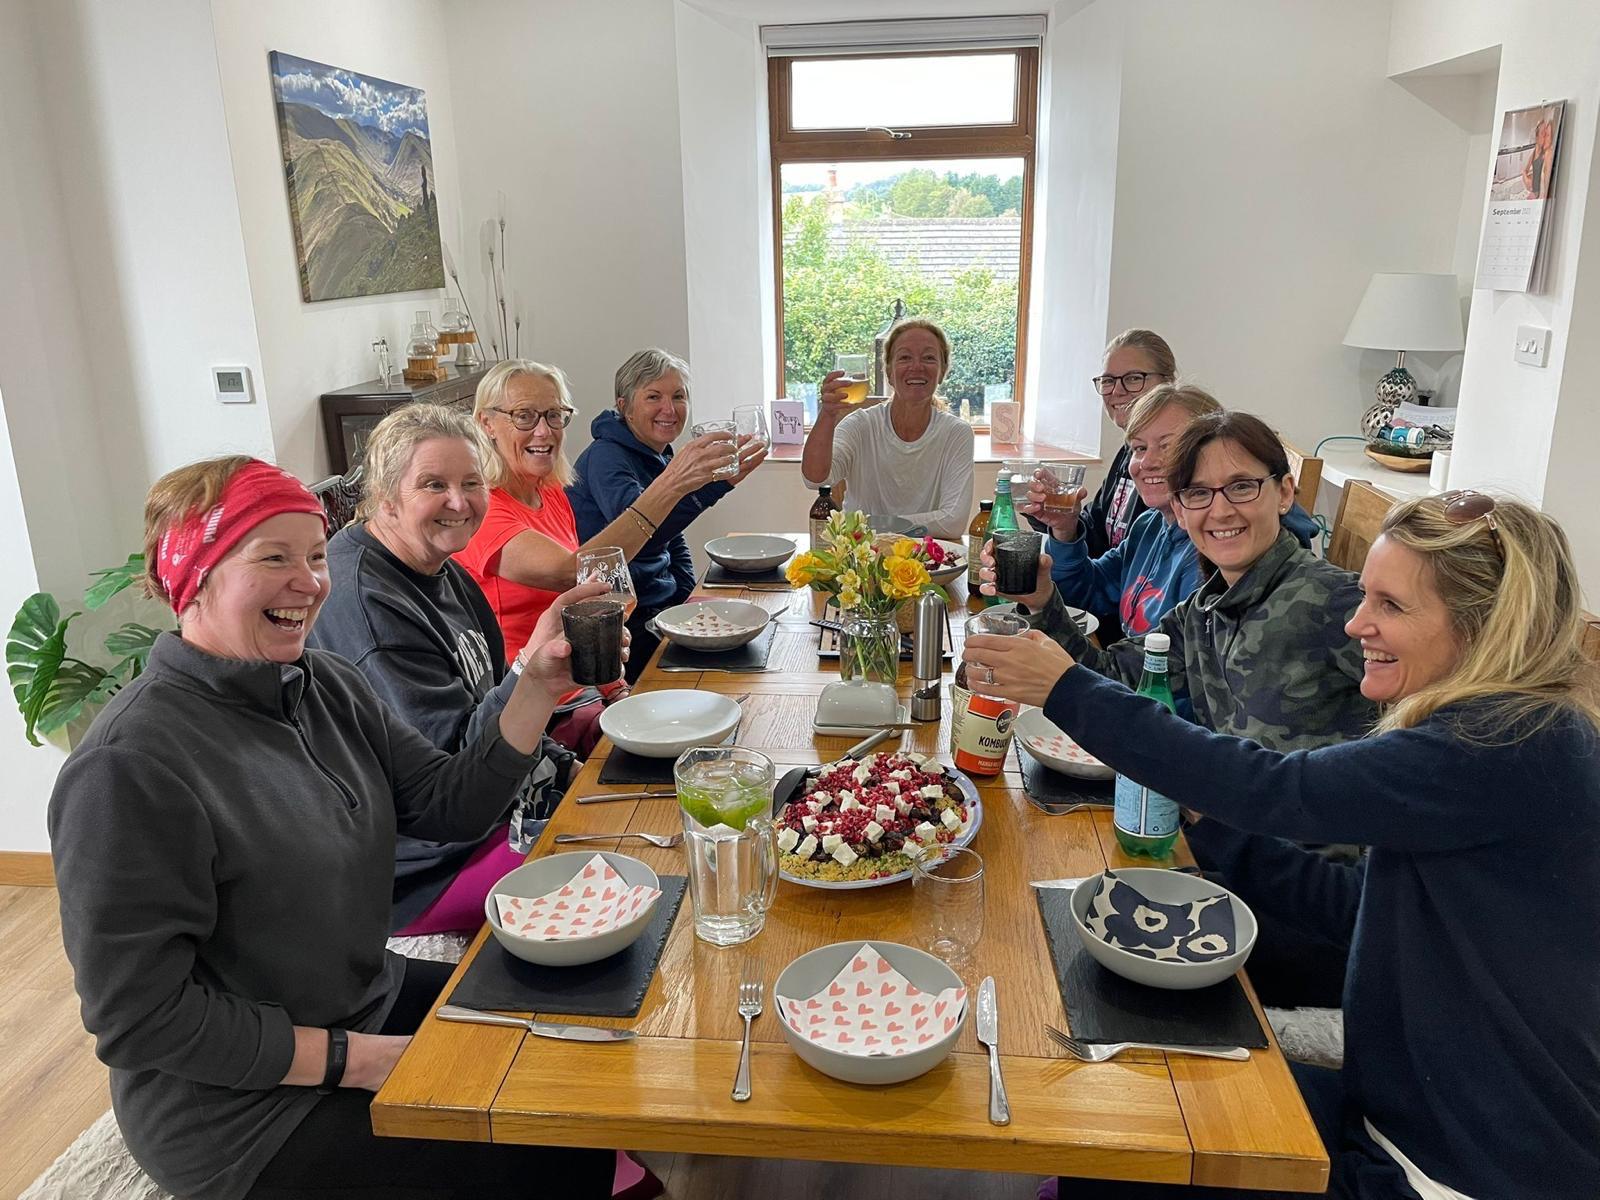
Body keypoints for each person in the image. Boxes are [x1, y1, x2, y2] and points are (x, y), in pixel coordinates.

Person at [964, 491, 1600, 1199]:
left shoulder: (1509, 742)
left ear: (1485, 627)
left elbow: (1273, 787)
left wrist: (1066, 688)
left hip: (1456, 1166)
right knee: (1120, 1112)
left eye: (1391, 606)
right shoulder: (1521, 733)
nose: (1359, 623)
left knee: (1123, 1142)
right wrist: (1210, 822)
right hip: (1396, 1109)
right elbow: (1356, 905)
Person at [48, 456, 614, 1200]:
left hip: (361, 997)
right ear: (196, 576)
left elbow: (450, 805)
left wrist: (536, 686)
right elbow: (142, 1021)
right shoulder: (129, 767)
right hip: (241, 1112)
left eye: (316, 556)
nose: (311, 582)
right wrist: (358, 1061)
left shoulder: (326, 686)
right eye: (273, 557)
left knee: (568, 1059)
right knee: (528, 1147)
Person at [987, 411, 1374, 1004]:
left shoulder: (1339, 604)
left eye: (1242, 486)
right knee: (1029, 917)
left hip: (1307, 910)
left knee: (1055, 964)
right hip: (1223, 866)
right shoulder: (1206, 608)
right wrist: (1044, 601)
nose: (1220, 511)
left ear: (1285, 490)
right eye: (1198, 493)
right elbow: (1109, 679)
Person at [309, 404, 582, 935]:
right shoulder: (369, 608)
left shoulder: (440, 567)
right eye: (433, 484)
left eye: (471, 483)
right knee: (620, 864)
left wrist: (564, 766)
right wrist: (532, 672)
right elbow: (457, 780)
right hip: (425, 870)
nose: (459, 503)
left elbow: (491, 696)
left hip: (487, 813)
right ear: (385, 496)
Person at [456, 358, 739, 671]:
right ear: (486, 423)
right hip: (527, 695)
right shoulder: (481, 509)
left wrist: (614, 686)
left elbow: (590, 602)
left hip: (583, 679)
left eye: (553, 416)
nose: (543, 431)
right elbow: (569, 573)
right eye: (523, 416)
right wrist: (673, 485)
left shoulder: (549, 492)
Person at [567, 348, 767, 678]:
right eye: (653, 397)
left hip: (658, 612)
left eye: (678, 396)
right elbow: (645, 535)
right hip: (626, 625)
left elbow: (672, 541)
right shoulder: (606, 457)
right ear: (624, 407)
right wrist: (716, 486)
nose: (669, 409)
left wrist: (688, 598)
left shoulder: (656, 452)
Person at [1011, 383, 1220, 637]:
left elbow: (1177, 663)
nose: (1147, 462)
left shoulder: (1213, 549)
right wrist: (1064, 529)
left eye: (1168, 446)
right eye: (1139, 448)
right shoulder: (1149, 525)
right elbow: (1088, 591)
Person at [800, 318, 975, 540]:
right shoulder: (860, 425)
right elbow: (814, 479)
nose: (917, 366)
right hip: (861, 559)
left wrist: (876, 523)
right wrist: (827, 414)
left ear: (942, 372)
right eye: (904, 357)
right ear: (889, 372)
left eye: (929, 358)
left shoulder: (956, 433)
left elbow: (953, 522)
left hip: (924, 561)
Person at [1080, 329, 1178, 557]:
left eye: (1134, 378)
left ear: (1169, 383)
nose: (1117, 391)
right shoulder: (1127, 452)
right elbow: (1096, 532)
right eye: (1108, 380)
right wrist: (1058, 515)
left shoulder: (1187, 459)